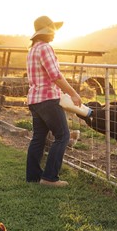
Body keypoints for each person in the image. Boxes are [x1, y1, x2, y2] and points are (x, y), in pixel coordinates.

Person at [26, 15, 81, 187]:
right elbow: (55, 76)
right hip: (48, 98)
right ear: (46, 31)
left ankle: (33, 176)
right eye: (52, 30)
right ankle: (49, 178)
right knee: (63, 136)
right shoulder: (45, 48)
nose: (55, 34)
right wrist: (73, 93)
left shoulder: (33, 49)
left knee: (38, 137)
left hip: (35, 99)